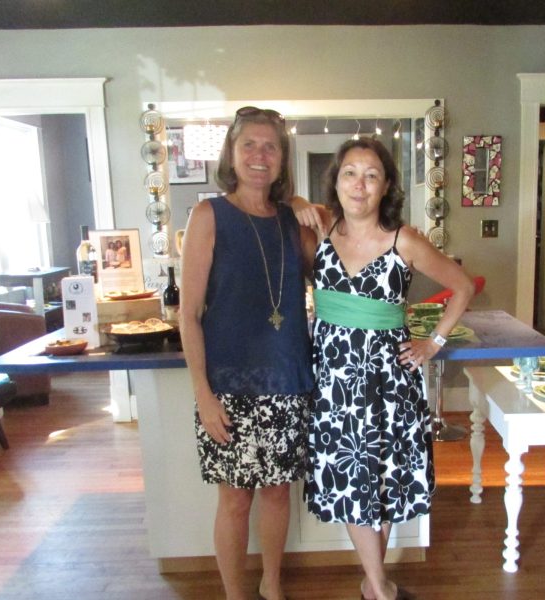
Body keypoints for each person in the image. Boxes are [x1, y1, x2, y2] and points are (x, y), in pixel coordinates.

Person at [299, 137, 474, 600]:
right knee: (353, 479)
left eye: (371, 175)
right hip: (334, 382)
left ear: (386, 186)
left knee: (385, 478)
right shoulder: (320, 231)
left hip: (390, 381)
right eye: (350, 173)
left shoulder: (405, 239)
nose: (359, 184)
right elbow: (283, 206)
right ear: (336, 182)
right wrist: (298, 202)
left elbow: (462, 286)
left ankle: (374, 585)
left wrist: (433, 342)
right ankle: (380, 589)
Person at [178, 106, 316, 600]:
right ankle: (236, 594)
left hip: (288, 379)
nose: (260, 155)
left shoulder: (296, 221)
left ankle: (271, 585)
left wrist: (306, 205)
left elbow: (335, 266)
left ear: (282, 158)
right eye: (249, 145)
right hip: (228, 387)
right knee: (235, 500)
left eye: (270, 146)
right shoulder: (208, 216)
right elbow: (188, 314)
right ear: (231, 155)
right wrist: (203, 394)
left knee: (278, 494)